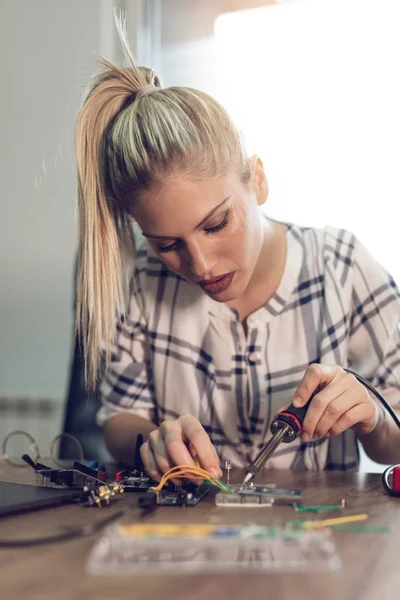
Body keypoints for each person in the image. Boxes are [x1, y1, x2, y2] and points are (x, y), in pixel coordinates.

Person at [74, 23, 400, 482]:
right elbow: (118, 420)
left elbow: (394, 441)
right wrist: (154, 440)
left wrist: (375, 414)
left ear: (258, 180)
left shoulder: (344, 268)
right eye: (167, 245)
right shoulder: (144, 280)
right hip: (188, 541)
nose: (201, 266)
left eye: (216, 224)